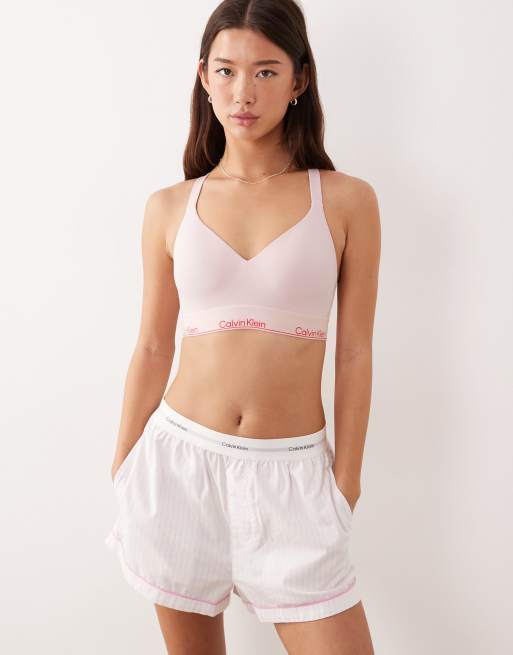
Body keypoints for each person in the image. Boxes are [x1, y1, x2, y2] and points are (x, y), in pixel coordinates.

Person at [105, 1, 380, 653]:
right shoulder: (170, 206)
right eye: (226, 71)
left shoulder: (346, 200)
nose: (243, 93)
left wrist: (345, 480)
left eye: (265, 71)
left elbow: (354, 351)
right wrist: (124, 464)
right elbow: (152, 345)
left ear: (299, 79)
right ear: (203, 76)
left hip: (293, 479)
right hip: (177, 466)